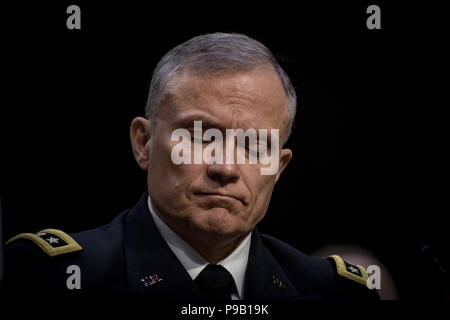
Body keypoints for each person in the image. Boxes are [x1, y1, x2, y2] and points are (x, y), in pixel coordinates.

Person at [4, 33, 379, 300]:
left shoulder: (336, 291)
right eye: (201, 136)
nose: (226, 167)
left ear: (278, 168)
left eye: (254, 145)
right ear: (144, 143)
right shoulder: (53, 277)